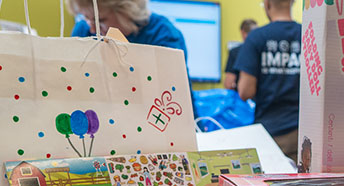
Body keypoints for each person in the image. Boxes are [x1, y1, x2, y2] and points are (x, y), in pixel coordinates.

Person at [67, 0, 197, 117]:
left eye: (100, 20)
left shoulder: (164, 36)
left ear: (126, 12)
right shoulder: (83, 32)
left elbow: (169, 100)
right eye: (86, 18)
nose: (93, 28)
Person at [235, 0, 301, 162]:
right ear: (292, 2)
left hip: (270, 134)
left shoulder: (257, 37)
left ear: (267, 3)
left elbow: (245, 91)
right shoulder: (308, 34)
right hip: (303, 135)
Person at [224, 19, 258, 91]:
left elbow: (228, 83)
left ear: (242, 32)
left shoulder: (235, 52)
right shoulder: (261, 51)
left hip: (241, 97)